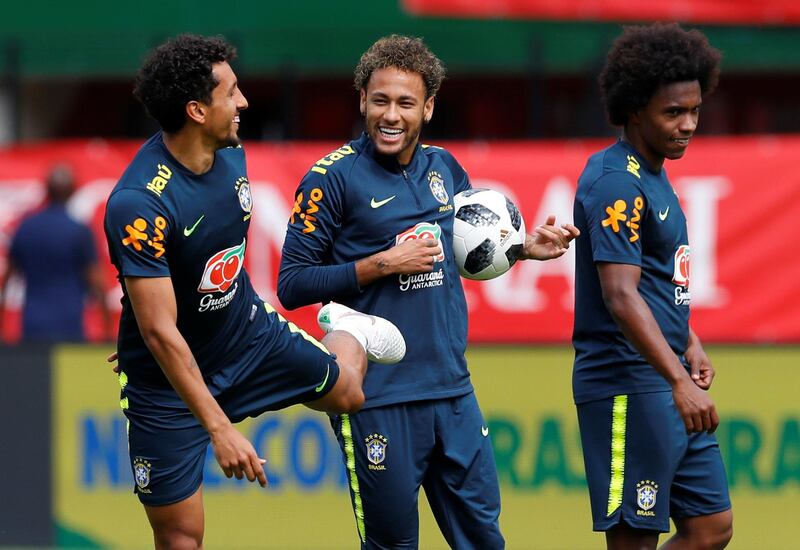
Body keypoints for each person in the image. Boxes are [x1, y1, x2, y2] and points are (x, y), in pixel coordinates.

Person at [103, 34, 407, 548]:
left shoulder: (233, 154)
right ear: (197, 110)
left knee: (350, 394)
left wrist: (161, 324)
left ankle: (348, 329)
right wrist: (220, 427)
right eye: (232, 93)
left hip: (247, 334)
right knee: (181, 538)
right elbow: (158, 328)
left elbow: (195, 276)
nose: (244, 102)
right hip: (167, 388)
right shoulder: (138, 203)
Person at [278, 34, 579, 549]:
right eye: (380, 101)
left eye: (405, 103)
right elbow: (292, 283)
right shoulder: (330, 179)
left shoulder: (445, 169)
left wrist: (523, 248)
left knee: (485, 540)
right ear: (362, 101)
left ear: (429, 107)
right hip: (378, 398)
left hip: (452, 390)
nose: (390, 115)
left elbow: (462, 249)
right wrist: (381, 264)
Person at [572, 23, 732, 549]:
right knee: (634, 540)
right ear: (634, 108)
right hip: (628, 385)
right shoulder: (616, 180)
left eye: (694, 111)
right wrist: (678, 381)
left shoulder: (654, 173)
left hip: (664, 374)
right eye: (673, 113)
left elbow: (658, 280)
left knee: (711, 528)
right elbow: (620, 295)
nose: (688, 124)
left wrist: (688, 339)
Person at [0, 163, 110, 342]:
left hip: (33, 323)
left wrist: (2, 326)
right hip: (69, 322)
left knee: (35, 370)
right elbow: (96, 282)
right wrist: (107, 331)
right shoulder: (79, 231)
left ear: (47, 190)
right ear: (73, 192)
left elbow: (7, 279)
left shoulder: (25, 227)